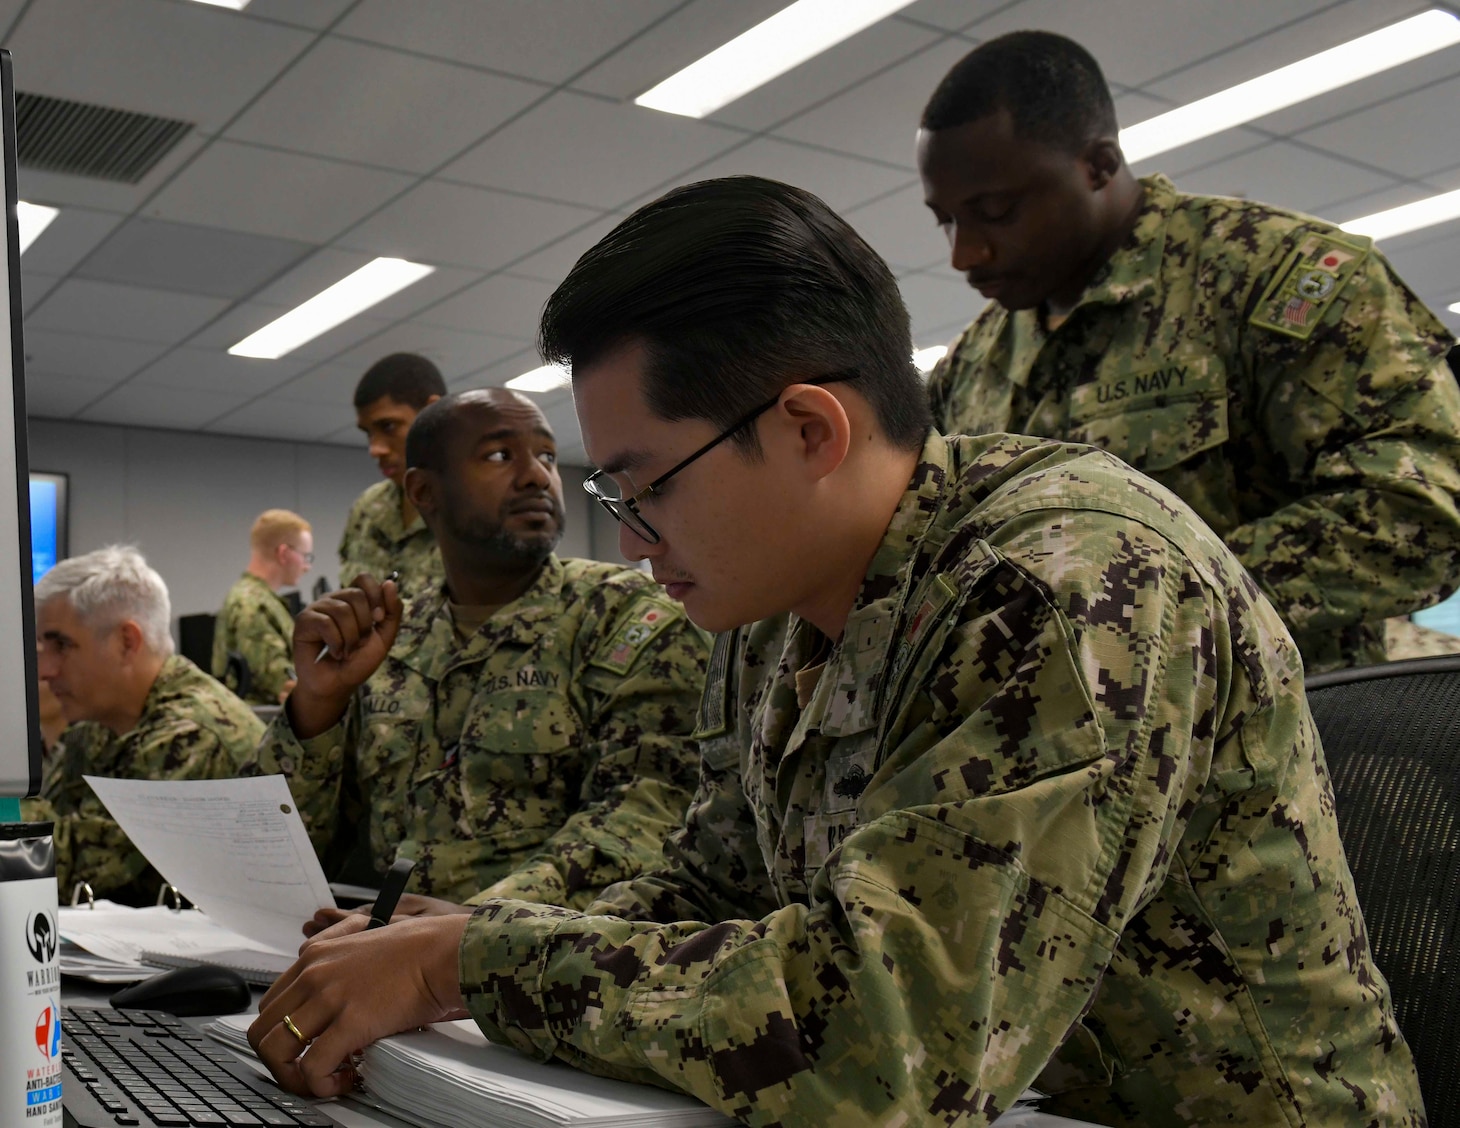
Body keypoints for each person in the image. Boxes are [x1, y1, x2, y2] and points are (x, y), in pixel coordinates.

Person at [248, 178, 1424, 1126]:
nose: (623, 533)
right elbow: (709, 878)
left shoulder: (1060, 586)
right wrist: (445, 938)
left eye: (644, 484)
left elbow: (887, 1044)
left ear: (808, 429)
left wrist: (472, 965)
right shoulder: (770, 607)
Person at [919, 31, 1460, 674]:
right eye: (945, 221)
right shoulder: (975, 362)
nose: (964, 253)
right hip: (1052, 755)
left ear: (1098, 165)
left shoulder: (1270, 278)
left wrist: (1149, 593)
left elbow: (1425, 514)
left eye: (997, 210)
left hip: (1270, 740)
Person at [242, 388, 710, 907]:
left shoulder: (629, 617)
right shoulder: (386, 638)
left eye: (548, 456)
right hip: (378, 955)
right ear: (423, 492)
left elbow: (645, 817)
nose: (537, 476)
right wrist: (317, 707)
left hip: (547, 967)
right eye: (498, 455)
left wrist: (465, 932)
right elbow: (270, 856)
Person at [22, 546, 264, 904]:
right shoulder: (98, 725)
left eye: (62, 645)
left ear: (126, 642)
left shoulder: (190, 734)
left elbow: (54, 868)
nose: (45, 670)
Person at [338, 353, 447, 597]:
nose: (375, 449)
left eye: (388, 427)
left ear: (433, 412)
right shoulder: (367, 508)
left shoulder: (477, 503)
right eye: (368, 433)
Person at [212, 509, 313, 705]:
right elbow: (283, 682)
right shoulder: (252, 605)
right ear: (284, 553)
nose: (307, 566)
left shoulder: (257, 599)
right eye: (306, 556)